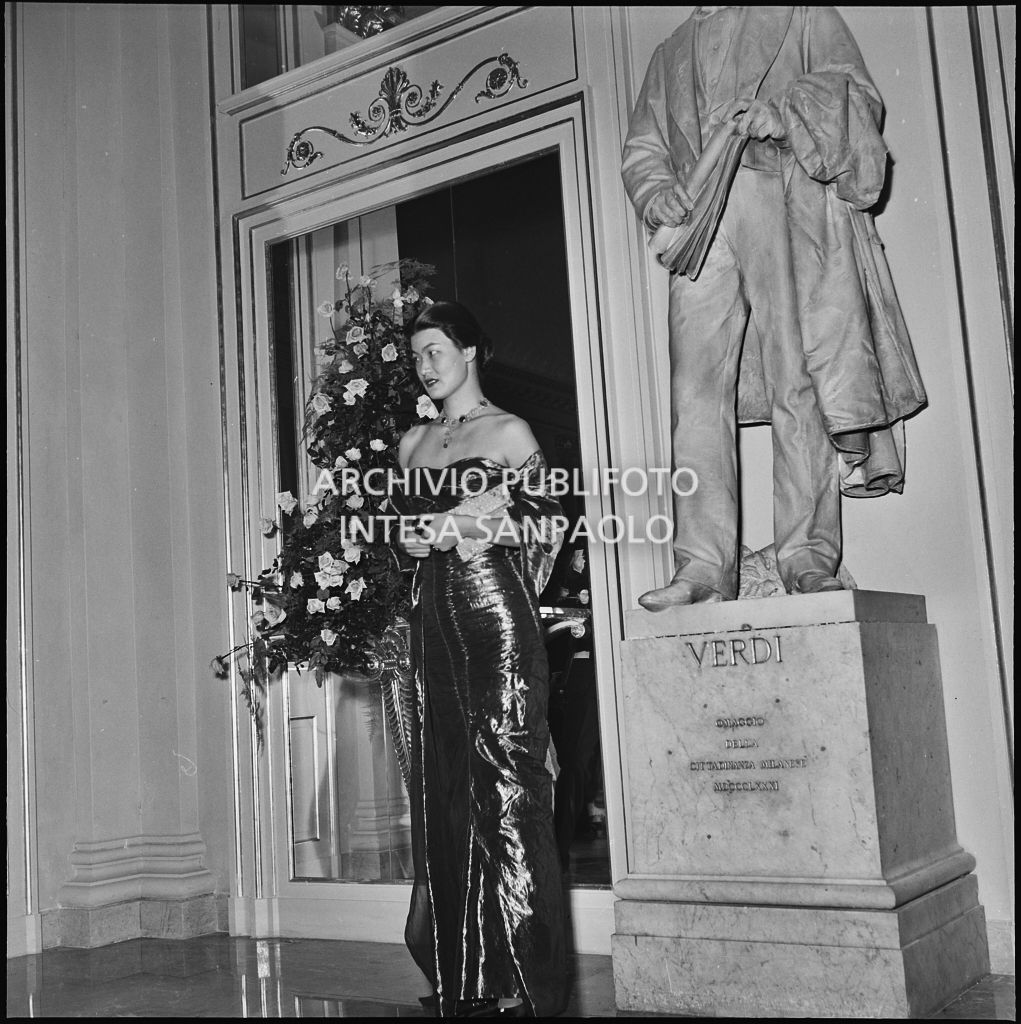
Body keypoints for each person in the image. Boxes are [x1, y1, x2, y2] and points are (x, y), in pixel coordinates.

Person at [621, 6, 927, 609]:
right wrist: (655, 193)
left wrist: (785, 116)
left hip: (782, 200)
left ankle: (807, 557)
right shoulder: (668, 52)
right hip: (700, 228)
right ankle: (701, 569)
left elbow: (857, 96)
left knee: (798, 379)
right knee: (693, 400)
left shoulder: (801, 13)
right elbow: (644, 147)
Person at [390, 300, 569, 1018]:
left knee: (507, 781)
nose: (424, 365)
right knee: (445, 784)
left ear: (469, 352)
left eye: (435, 350)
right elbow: (405, 532)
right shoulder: (411, 445)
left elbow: (547, 523)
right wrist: (408, 541)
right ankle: (465, 975)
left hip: (495, 615)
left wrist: (464, 526)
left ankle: (525, 977)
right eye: (416, 356)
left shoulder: (508, 432)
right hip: (432, 620)